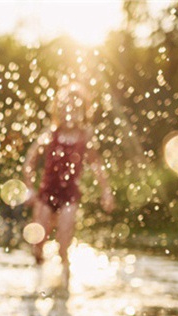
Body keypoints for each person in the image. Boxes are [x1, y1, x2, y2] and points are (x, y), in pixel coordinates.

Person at [22, 82, 115, 289]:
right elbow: (30, 160)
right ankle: (37, 275)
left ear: (83, 111)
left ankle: (65, 279)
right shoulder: (50, 134)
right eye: (64, 108)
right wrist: (29, 187)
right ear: (57, 110)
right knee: (38, 242)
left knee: (64, 244)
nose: (69, 112)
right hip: (46, 194)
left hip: (69, 196)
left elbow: (97, 165)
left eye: (74, 109)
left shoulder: (85, 137)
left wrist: (106, 191)